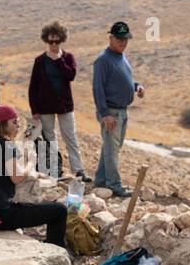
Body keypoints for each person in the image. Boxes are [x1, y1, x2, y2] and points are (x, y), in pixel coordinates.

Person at [0, 104, 68, 246]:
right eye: (14, 122)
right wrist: (31, 162)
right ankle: (56, 249)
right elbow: (17, 177)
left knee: (26, 207)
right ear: (2, 125)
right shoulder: (6, 145)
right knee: (59, 210)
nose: (18, 125)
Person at [28, 21, 90, 183]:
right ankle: (54, 169)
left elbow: (71, 76)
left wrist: (59, 60)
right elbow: (33, 87)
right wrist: (34, 110)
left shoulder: (68, 58)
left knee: (70, 137)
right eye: (51, 41)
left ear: (61, 39)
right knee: (49, 138)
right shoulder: (40, 61)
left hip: (65, 106)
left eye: (56, 41)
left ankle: (78, 170)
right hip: (44, 107)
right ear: (46, 41)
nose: (54, 44)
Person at [91, 21, 145, 197]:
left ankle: (100, 181)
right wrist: (105, 114)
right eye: (120, 38)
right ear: (111, 38)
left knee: (111, 147)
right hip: (111, 112)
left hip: (122, 111)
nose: (123, 42)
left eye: (126, 39)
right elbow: (97, 88)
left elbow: (123, 80)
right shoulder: (103, 60)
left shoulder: (121, 57)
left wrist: (136, 86)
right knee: (112, 149)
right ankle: (115, 185)